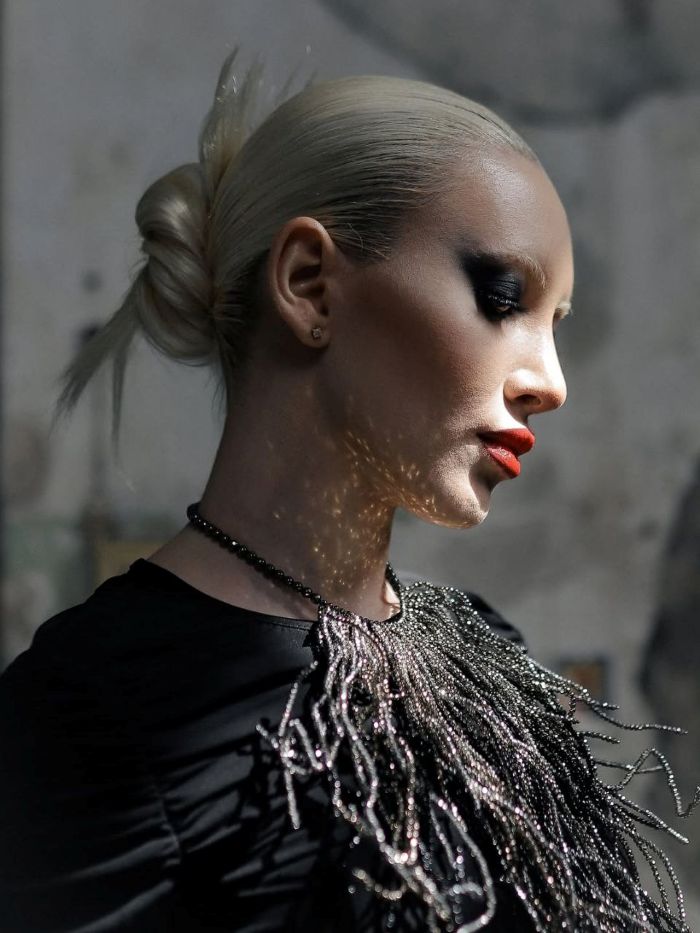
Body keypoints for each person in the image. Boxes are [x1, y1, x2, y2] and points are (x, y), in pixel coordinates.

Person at [0, 49, 696, 933]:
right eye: (501, 297)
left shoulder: (485, 656)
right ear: (309, 284)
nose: (550, 383)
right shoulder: (90, 709)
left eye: (553, 324)